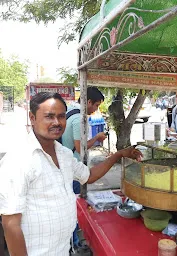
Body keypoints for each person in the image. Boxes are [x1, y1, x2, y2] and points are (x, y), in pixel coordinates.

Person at [0, 92, 142, 256]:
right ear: (32, 118)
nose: (57, 122)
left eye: (61, 116)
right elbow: (11, 223)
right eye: (49, 117)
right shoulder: (19, 158)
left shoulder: (64, 154)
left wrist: (118, 155)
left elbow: (88, 175)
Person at [61, 87, 107, 249]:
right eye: (96, 105)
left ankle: (72, 239)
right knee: (73, 206)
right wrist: (97, 138)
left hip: (66, 165)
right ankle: (74, 243)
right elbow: (81, 148)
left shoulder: (71, 112)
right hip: (72, 168)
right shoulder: (79, 118)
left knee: (71, 204)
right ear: (88, 102)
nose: (96, 110)